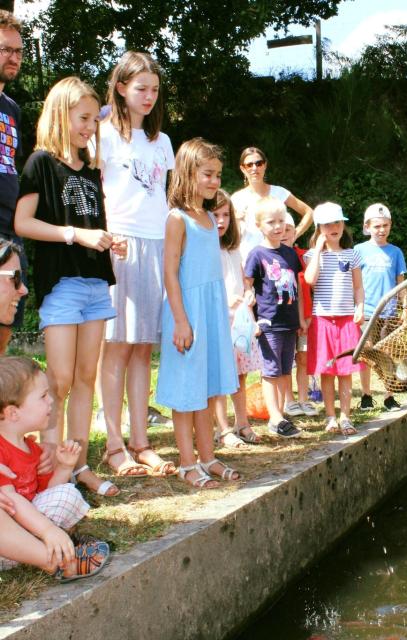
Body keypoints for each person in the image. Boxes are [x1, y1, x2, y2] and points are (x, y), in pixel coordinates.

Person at [14, 77, 125, 497]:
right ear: (62, 114)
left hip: (97, 285)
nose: (89, 128)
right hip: (61, 287)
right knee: (57, 381)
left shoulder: (92, 170)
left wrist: (111, 239)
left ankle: (78, 469)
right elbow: (23, 224)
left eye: (93, 121)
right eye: (83, 119)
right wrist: (74, 235)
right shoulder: (40, 163)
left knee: (84, 378)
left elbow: (94, 225)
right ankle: (50, 473)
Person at [97, 51, 176, 479]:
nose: (148, 96)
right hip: (119, 244)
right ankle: (113, 446)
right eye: (140, 88)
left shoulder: (161, 141)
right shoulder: (103, 135)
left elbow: (162, 198)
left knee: (144, 346)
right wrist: (104, 236)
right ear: (122, 88)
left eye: (154, 90)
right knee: (118, 346)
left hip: (155, 243)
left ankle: (141, 441)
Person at [155, 138, 240, 488]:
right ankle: (187, 463)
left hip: (212, 312)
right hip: (187, 313)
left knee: (207, 389)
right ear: (188, 173)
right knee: (186, 390)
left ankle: (208, 457)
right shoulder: (177, 219)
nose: (215, 182)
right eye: (208, 174)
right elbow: (170, 272)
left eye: (218, 175)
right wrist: (180, 319)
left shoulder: (208, 217)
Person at [0, 356, 110, 581]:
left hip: (26, 534)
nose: (51, 401)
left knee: (67, 493)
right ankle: (57, 561)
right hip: (6, 540)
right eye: (42, 396)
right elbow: (12, 502)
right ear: (13, 413)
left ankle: (57, 546)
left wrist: (64, 468)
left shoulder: (32, 448)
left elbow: (47, 492)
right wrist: (49, 530)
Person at [244, 197, 304, 439]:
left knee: (285, 369)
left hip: (289, 322)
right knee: (270, 371)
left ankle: (280, 413)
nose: (278, 227)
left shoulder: (290, 254)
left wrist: (300, 320)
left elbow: (297, 288)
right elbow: (247, 287)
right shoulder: (256, 254)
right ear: (259, 226)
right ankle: (275, 417)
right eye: (271, 222)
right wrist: (252, 320)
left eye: (281, 221)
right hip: (268, 323)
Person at [304, 203, 365, 436]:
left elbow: (358, 287)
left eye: (338, 222)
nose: (334, 227)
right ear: (319, 228)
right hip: (322, 321)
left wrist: (359, 306)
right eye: (328, 224)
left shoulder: (353, 254)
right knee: (327, 371)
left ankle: (346, 417)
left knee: (346, 370)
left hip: (347, 319)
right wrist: (318, 250)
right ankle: (330, 417)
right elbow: (310, 280)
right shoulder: (312, 255)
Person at [214, 189, 262, 447]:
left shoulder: (233, 249)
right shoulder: (206, 248)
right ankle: (223, 429)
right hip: (219, 319)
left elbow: (242, 280)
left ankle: (241, 422)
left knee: (240, 374)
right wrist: (224, 300)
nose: (221, 221)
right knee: (221, 377)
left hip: (239, 322)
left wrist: (249, 293)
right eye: (215, 215)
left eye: (225, 215)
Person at [355, 203, 407, 412]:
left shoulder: (396, 252)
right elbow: (354, 282)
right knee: (367, 355)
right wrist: (355, 307)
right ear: (367, 227)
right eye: (377, 226)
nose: (381, 230)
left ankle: (389, 396)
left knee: (388, 355)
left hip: (389, 312)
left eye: (385, 225)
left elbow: (400, 282)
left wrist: (404, 308)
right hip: (367, 311)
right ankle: (367, 396)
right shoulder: (359, 250)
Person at [231, 146, 314, 263]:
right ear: (242, 169)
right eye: (249, 165)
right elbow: (228, 234)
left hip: (278, 260)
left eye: (259, 163)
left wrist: (294, 234)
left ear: (265, 165)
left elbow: (309, 213)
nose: (254, 168)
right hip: (248, 261)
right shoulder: (236, 199)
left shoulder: (280, 192)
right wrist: (235, 220)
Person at [0, 11, 28, 354]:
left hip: (11, 225)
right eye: (6, 49)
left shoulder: (12, 109)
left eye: (19, 51)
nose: (14, 57)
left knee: (7, 318)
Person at [281, 213, 318, 418]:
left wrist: (307, 316)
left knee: (303, 357)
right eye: (282, 228)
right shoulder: (272, 257)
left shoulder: (303, 256)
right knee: (285, 361)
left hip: (305, 317)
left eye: (289, 229)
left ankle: (303, 398)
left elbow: (310, 284)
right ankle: (289, 400)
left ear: (295, 232)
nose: (285, 233)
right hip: (284, 319)